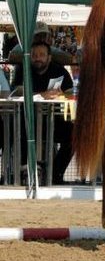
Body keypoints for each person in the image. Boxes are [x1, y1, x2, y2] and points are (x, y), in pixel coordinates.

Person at [11, 41, 74, 184]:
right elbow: (18, 90)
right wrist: (43, 94)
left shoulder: (59, 70)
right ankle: (24, 174)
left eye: (41, 55)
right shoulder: (23, 69)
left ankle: (55, 172)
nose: (37, 58)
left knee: (74, 134)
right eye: (34, 55)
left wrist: (61, 95)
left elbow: (71, 92)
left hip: (54, 119)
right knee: (17, 132)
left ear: (49, 57)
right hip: (27, 120)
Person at [8, 21, 74, 66]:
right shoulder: (23, 47)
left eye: (44, 35)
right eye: (38, 35)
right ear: (31, 36)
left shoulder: (50, 48)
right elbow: (11, 58)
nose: (42, 38)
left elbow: (68, 59)